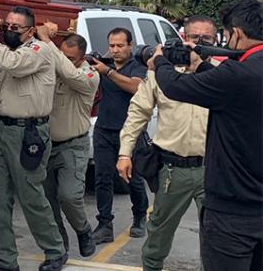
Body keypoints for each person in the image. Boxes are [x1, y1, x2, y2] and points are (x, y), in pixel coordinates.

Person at [150, 0, 263, 271]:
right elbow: (235, 94)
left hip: (232, 213)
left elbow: (175, 86)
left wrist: (160, 61)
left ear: (236, 33)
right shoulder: (241, 75)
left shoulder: (235, 74)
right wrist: (200, 66)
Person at [117, 16, 217, 271]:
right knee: (159, 232)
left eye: (207, 39)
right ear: (183, 38)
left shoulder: (221, 75)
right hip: (174, 171)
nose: (199, 44)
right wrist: (125, 153)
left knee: (217, 238)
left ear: (215, 41)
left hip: (214, 171)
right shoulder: (162, 73)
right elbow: (138, 112)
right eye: (195, 38)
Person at [0, 6, 67, 271]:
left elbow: (13, 66)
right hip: (3, 130)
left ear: (30, 31)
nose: (9, 31)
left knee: (31, 196)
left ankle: (55, 251)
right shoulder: (8, 53)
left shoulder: (40, 50)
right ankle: (4, 259)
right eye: (6, 26)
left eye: (15, 28)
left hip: (28, 134)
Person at [38, 27, 99, 258]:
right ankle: (58, 249)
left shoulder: (90, 75)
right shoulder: (52, 70)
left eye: (70, 58)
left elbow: (70, 75)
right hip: (46, 146)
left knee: (69, 196)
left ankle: (83, 230)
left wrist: (46, 40)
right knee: (48, 201)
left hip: (73, 146)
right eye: (61, 55)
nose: (63, 61)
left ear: (82, 58)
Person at [89, 27, 149, 244]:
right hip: (104, 130)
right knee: (102, 179)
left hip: (129, 133)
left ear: (130, 46)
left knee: (133, 179)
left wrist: (108, 72)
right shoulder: (104, 65)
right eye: (112, 45)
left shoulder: (138, 67)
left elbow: (136, 88)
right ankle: (104, 224)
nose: (115, 50)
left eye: (120, 45)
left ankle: (140, 217)